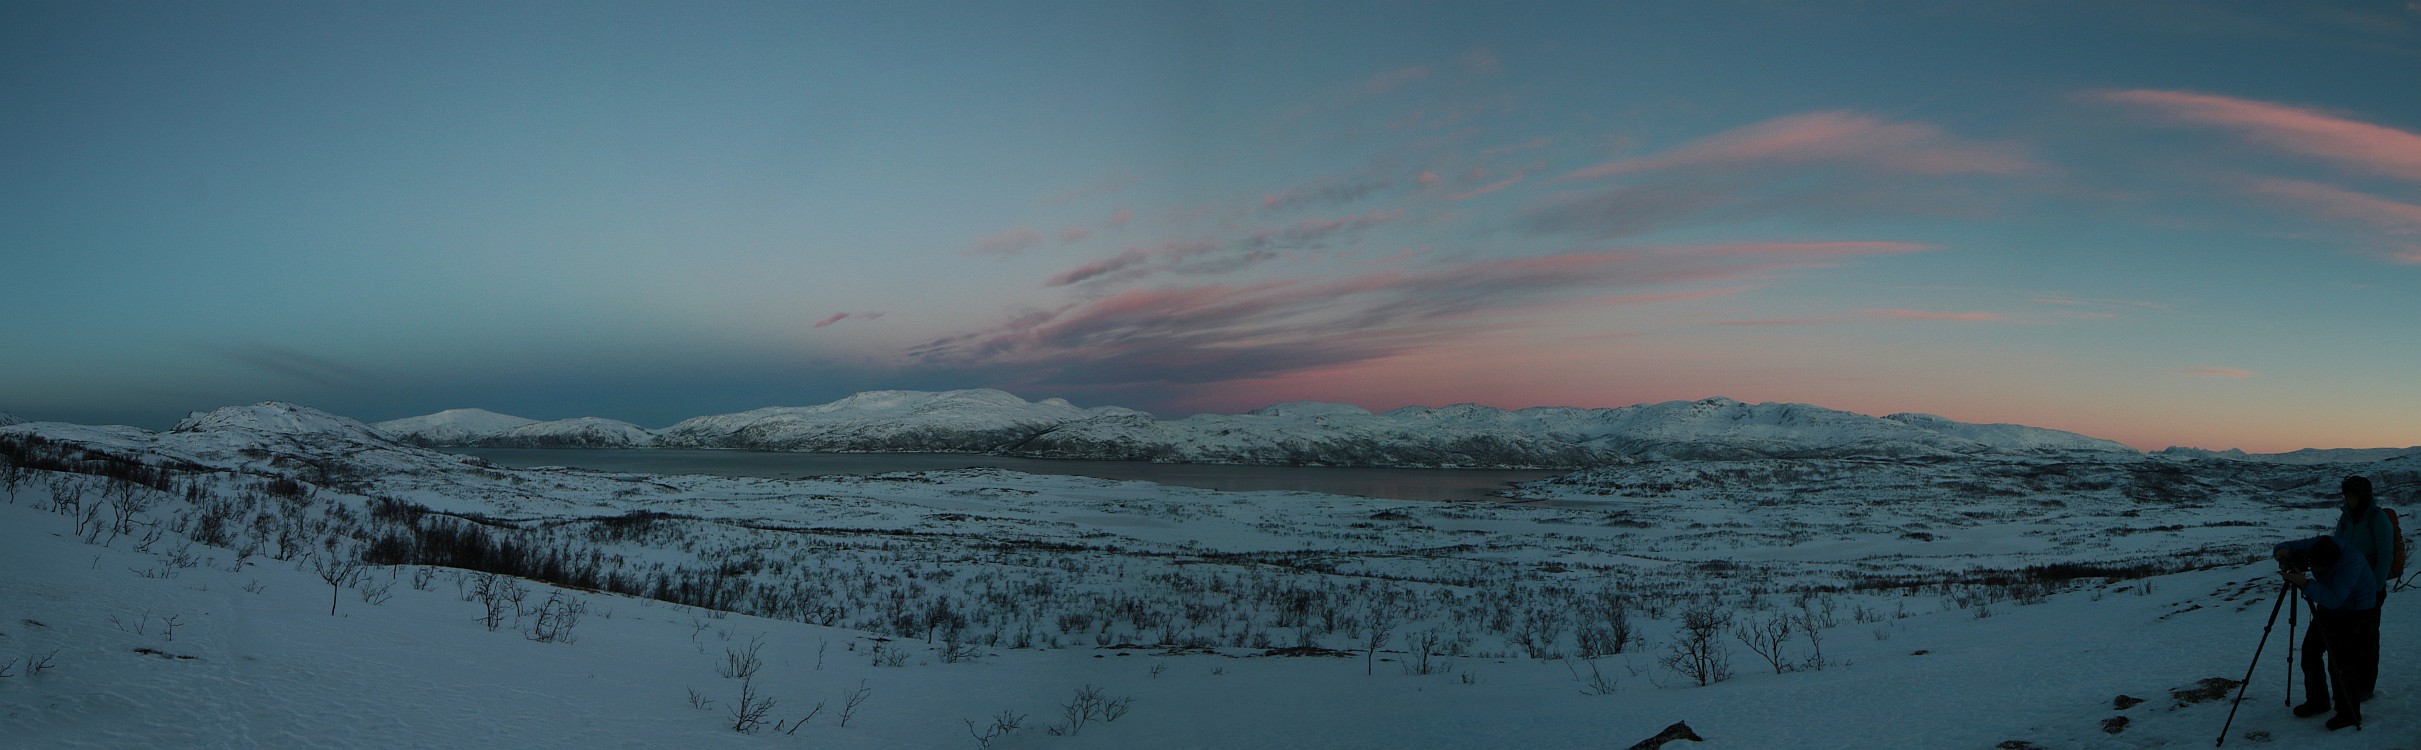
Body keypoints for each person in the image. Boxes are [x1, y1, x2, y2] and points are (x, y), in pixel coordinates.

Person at [2274, 534, 2377, 731]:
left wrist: (2305, 584)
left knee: (2340, 661)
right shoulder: (2318, 544)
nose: (2313, 570)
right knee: (2310, 651)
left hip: (2355, 609)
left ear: (2332, 564)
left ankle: (2348, 712)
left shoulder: (2351, 563)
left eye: (2318, 569)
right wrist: (2283, 554)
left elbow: (2335, 599)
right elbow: (2285, 545)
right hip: (2329, 604)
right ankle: (2318, 701)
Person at [2332, 476, 2392, 701]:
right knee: (2348, 637)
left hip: (2370, 589)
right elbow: (2336, 545)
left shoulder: (2378, 519)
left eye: (2354, 495)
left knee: (2367, 637)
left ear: (2364, 495)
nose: (2350, 499)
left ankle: (2365, 686)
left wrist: (2376, 588)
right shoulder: (2346, 517)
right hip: (2348, 587)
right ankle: (2349, 683)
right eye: (2347, 495)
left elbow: (2386, 556)